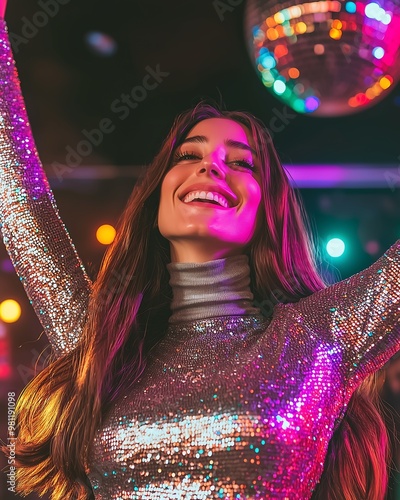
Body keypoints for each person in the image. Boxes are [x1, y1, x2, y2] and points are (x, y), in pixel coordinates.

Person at [1, 3, 399, 499]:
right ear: (159, 195)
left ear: (266, 209)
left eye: (240, 163)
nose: (209, 167)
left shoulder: (314, 341)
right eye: (189, 155)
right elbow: (15, 191)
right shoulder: (106, 345)